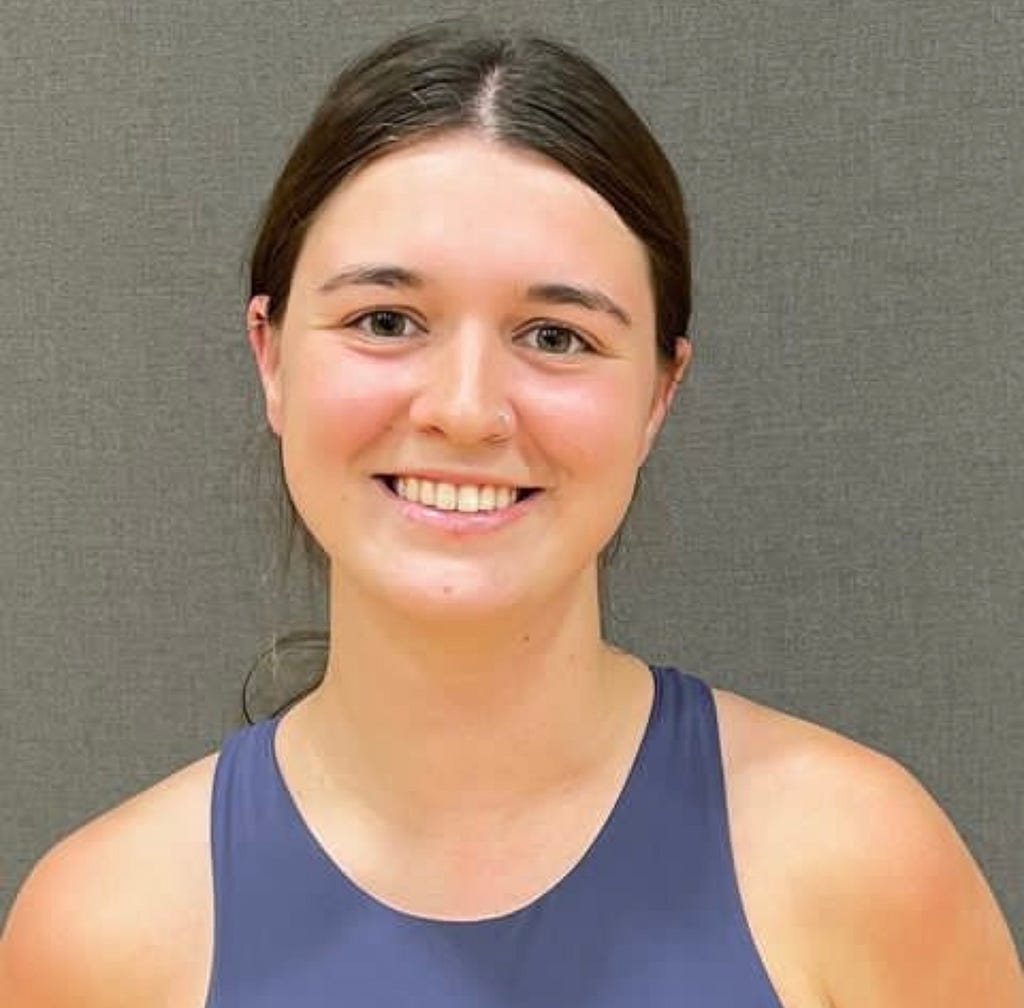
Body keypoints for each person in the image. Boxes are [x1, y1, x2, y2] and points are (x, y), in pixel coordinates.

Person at [1, 19, 1020, 1008]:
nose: (465, 410)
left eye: (556, 335)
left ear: (660, 393)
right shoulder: (103, 932)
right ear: (271, 357)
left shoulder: (857, 864)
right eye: (385, 321)